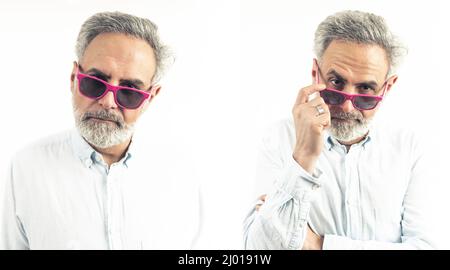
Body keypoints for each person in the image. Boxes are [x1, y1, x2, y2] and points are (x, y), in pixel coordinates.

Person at [0, 11, 201, 249]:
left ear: (150, 97)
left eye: (129, 91)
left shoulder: (179, 173)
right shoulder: (27, 167)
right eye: (95, 82)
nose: (108, 102)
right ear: (74, 78)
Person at [243, 10, 438, 249]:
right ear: (316, 73)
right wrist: (302, 157)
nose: (346, 106)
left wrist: (320, 245)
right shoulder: (279, 139)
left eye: (366, 88)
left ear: (387, 87)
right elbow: (256, 250)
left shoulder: (410, 149)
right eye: (336, 83)